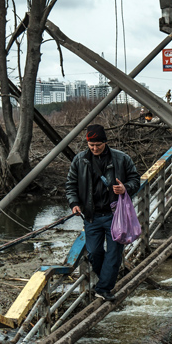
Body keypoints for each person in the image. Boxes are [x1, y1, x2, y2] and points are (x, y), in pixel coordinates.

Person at [65, 123, 142, 302]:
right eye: (91, 146)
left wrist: (125, 188)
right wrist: (74, 203)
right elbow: (71, 185)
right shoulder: (80, 160)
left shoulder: (121, 159)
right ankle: (106, 280)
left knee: (114, 253)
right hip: (91, 216)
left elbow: (135, 179)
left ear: (105, 142)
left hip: (116, 215)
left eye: (98, 145)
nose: (94, 149)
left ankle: (103, 288)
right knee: (94, 252)